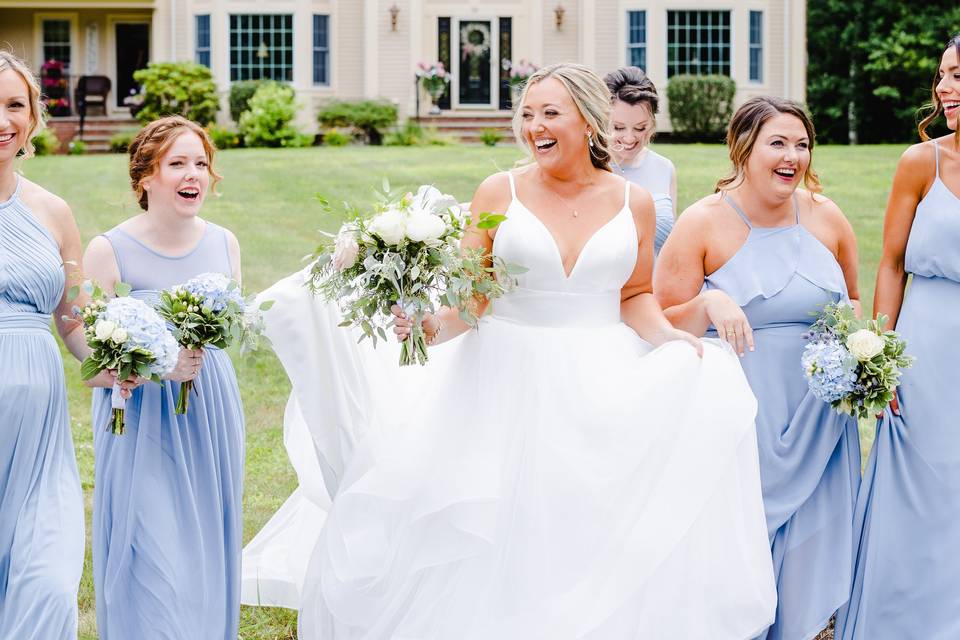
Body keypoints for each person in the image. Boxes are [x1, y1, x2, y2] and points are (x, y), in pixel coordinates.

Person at [245, 62, 776, 639]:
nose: (534, 126)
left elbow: (634, 294)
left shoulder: (634, 202)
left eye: (551, 113)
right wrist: (428, 327)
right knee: (504, 528)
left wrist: (670, 338)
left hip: (600, 378)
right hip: (503, 378)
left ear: (589, 121)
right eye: (527, 114)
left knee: (584, 525)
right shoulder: (501, 192)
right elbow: (473, 302)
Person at [655, 96, 862, 640]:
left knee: (817, 554)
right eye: (777, 142)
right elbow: (656, 320)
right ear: (743, 148)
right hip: (745, 422)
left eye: (801, 144)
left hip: (822, 420)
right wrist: (708, 305)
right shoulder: (703, 223)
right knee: (740, 553)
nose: (792, 155)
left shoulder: (828, 216)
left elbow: (856, 305)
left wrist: (867, 357)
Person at [83, 116, 245, 639]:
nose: (192, 173)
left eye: (200, 163)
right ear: (145, 177)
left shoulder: (225, 244)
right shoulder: (109, 251)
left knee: (202, 549)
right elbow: (90, 370)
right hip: (140, 426)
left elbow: (227, 337)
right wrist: (156, 364)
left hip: (209, 413)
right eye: (176, 163)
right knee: (151, 556)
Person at [836, 35, 960, 639]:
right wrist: (880, 355)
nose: (944, 88)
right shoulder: (922, 163)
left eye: (957, 75)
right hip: (929, 348)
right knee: (924, 482)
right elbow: (890, 263)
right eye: (943, 75)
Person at [0, 50, 86, 639]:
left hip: (39, 431)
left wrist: (120, 362)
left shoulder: (53, 211)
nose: (3, 119)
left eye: (14, 104)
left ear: (33, 116)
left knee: (49, 581)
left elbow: (74, 320)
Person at [604, 66, 676, 255]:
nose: (629, 138)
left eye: (640, 128)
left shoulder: (664, 168)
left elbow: (670, 248)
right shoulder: (587, 167)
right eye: (619, 128)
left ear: (651, 123)